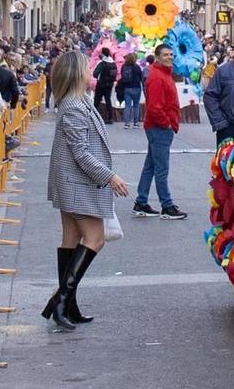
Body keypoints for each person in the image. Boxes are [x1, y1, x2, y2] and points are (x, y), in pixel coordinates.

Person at [44, 48, 126, 332]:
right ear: (78, 73)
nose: (91, 71)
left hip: (72, 182)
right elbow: (80, 152)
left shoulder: (77, 101)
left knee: (71, 238)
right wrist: (110, 176)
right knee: (94, 238)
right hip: (77, 183)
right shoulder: (74, 107)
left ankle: (68, 305)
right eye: (86, 67)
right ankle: (61, 300)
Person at [133, 44, 186, 220]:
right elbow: (155, 107)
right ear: (157, 57)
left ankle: (141, 201)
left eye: (171, 54)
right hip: (159, 127)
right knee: (161, 168)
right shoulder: (157, 77)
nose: (169, 57)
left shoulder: (162, 74)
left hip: (159, 126)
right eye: (165, 54)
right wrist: (167, 124)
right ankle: (167, 205)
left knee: (151, 166)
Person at [117, 52, 145, 130]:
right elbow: (141, 77)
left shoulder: (124, 66)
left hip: (127, 88)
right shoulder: (137, 67)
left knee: (127, 106)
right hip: (136, 87)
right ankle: (135, 123)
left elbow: (122, 76)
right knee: (136, 105)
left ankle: (126, 123)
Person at [91, 48, 118, 124]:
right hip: (109, 85)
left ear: (102, 54)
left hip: (101, 85)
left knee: (96, 101)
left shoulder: (102, 63)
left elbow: (95, 74)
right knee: (108, 100)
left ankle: (93, 116)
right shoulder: (113, 63)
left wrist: (99, 77)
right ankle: (110, 118)